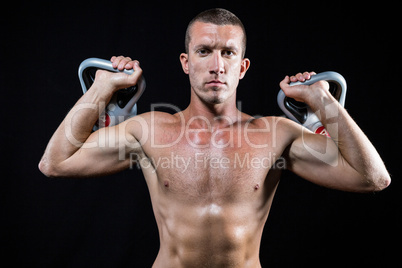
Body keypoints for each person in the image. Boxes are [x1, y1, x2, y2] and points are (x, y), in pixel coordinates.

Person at [39, 8, 390, 268]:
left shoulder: (275, 134)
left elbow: (373, 178)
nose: (217, 65)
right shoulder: (147, 129)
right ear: (186, 62)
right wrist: (100, 89)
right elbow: (55, 162)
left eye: (228, 53)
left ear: (242, 66)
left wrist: (323, 101)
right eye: (204, 51)